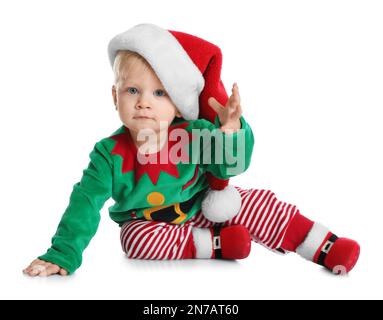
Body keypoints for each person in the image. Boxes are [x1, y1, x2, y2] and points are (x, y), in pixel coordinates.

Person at [23, 23, 360, 277]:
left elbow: (231, 166)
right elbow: (85, 202)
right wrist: (62, 254)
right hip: (149, 223)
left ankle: (322, 245)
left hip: (201, 206)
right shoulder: (108, 154)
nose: (143, 102)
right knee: (135, 242)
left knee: (255, 202)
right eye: (133, 90)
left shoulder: (195, 133)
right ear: (115, 97)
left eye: (159, 94)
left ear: (180, 105)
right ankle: (215, 245)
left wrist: (229, 131)